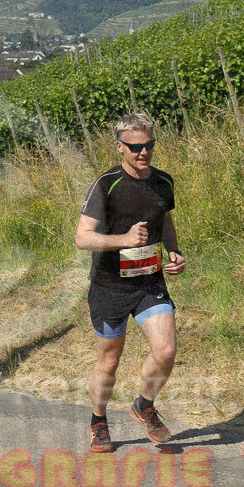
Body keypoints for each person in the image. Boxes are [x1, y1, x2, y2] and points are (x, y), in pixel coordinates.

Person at [75, 113, 186, 453]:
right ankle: (98, 421)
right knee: (109, 360)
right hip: (109, 287)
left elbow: (164, 219)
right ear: (120, 147)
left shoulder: (163, 182)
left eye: (149, 145)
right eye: (136, 147)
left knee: (166, 350)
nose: (144, 153)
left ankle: (144, 405)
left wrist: (174, 250)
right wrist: (123, 239)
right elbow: (82, 238)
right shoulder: (106, 184)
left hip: (149, 283)